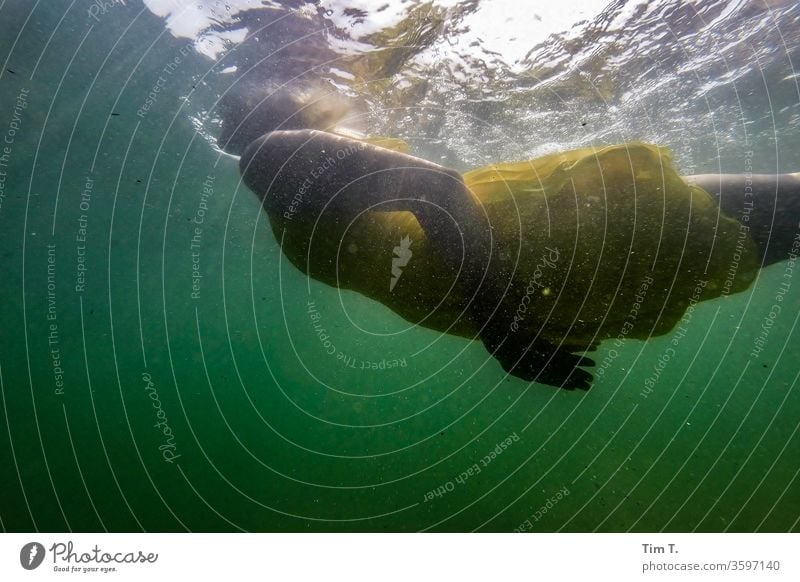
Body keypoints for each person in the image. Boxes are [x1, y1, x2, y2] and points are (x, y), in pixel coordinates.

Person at [222, 87, 799, 390]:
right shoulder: (282, 180)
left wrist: (501, 334)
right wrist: (506, 328)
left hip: (569, 234)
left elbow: (439, 190)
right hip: (548, 276)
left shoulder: (270, 152)